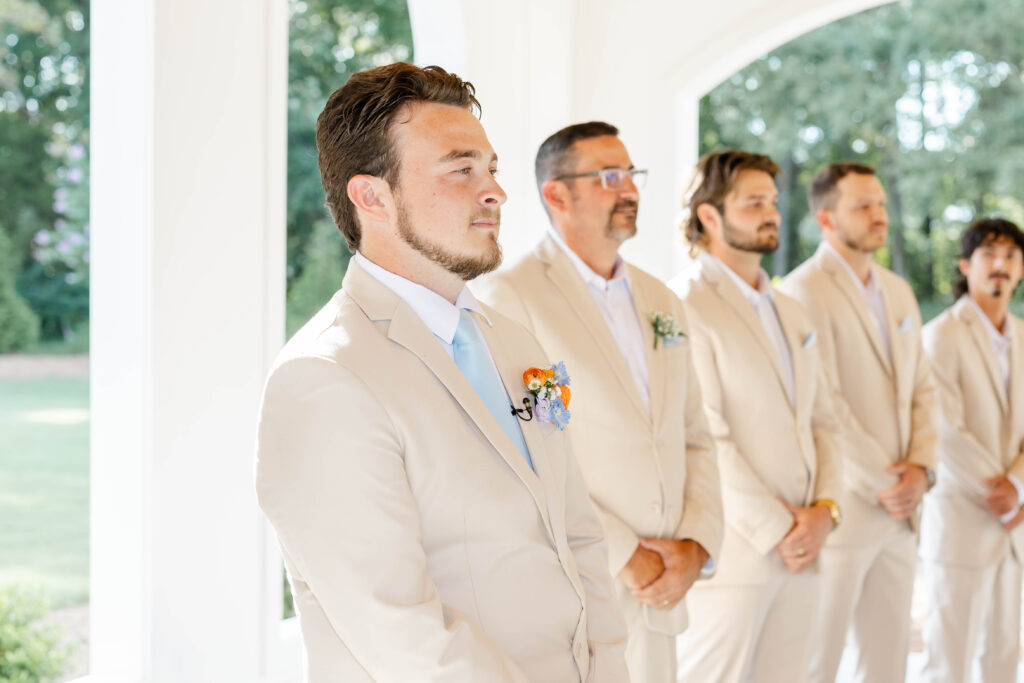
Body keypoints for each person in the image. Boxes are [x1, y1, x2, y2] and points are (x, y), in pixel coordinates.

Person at [254, 63, 629, 683]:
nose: (496, 192)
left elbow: (578, 536)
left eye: (491, 169)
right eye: (461, 170)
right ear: (372, 197)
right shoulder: (323, 378)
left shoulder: (515, 344)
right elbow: (396, 629)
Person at [475, 121, 722, 682]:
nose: (629, 189)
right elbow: (529, 452)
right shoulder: (511, 297)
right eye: (610, 176)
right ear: (557, 194)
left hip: (666, 589)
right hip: (581, 589)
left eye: (631, 174)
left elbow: (692, 432)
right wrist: (623, 553)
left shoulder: (662, 299)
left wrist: (696, 543)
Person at [667, 149, 842, 683]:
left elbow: (825, 421)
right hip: (737, 555)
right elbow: (705, 433)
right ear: (709, 215)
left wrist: (825, 512)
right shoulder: (683, 305)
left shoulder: (790, 308)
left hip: (806, 548)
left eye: (772, 201)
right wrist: (780, 529)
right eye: (753, 203)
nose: (771, 213)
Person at [779, 162, 937, 683]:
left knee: (888, 664)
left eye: (881, 204)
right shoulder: (800, 292)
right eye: (863, 206)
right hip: (844, 506)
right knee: (817, 661)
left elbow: (923, 386)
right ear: (826, 219)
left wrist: (921, 469)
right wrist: (887, 483)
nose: (879, 215)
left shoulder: (898, 290)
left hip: (903, 511)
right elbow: (822, 403)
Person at [918, 218, 1024, 682]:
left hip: (1015, 526)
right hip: (961, 519)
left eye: (1011, 256)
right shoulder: (940, 335)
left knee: (1004, 656)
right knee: (949, 659)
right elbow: (945, 429)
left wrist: (1017, 486)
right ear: (965, 265)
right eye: (989, 254)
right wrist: (1002, 493)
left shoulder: (1023, 335)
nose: (1001, 264)